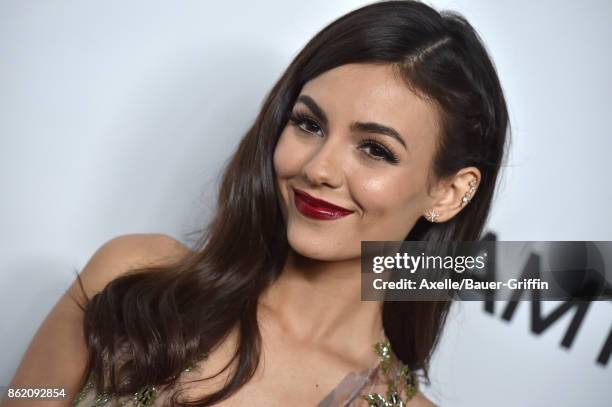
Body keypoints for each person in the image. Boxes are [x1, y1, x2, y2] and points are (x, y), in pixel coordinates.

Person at [4, 0, 509, 406]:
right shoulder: (132, 279)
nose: (318, 168)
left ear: (448, 192)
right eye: (308, 124)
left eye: (375, 149)